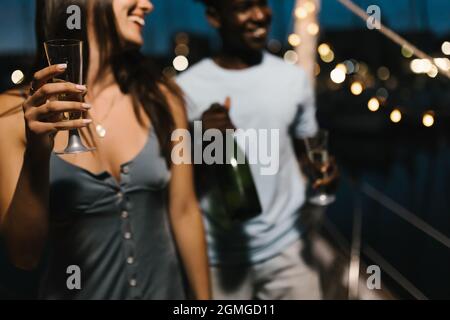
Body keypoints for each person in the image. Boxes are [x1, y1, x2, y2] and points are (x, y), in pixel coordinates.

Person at [0, 0, 210, 300]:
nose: (148, 5)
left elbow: (185, 211)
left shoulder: (162, 99)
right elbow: (24, 255)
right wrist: (37, 153)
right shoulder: (14, 113)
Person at [177, 0, 337, 299]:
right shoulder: (184, 89)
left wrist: (326, 170)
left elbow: (310, 152)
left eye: (263, 3)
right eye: (243, 7)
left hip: (290, 250)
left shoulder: (293, 78)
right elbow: (177, 185)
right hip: (218, 258)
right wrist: (199, 140)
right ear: (214, 16)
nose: (260, 15)